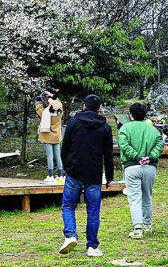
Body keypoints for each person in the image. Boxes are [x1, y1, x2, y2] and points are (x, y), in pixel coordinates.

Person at [58, 94, 114, 258]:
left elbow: (65, 146)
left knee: (68, 205)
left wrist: (66, 166)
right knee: (93, 211)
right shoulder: (105, 127)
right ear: (99, 109)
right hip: (94, 173)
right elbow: (108, 155)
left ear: (83, 106)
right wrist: (109, 177)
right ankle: (92, 246)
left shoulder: (74, 122)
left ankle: (70, 235)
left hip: (74, 170)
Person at [117, 102, 164, 239]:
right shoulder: (154, 130)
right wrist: (150, 157)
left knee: (134, 198)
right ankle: (148, 225)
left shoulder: (124, 129)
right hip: (149, 167)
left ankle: (137, 228)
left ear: (130, 115)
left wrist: (136, 157)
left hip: (131, 167)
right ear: (145, 115)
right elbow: (159, 145)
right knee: (147, 196)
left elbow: (124, 145)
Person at [35, 90, 64, 183]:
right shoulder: (60, 112)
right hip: (56, 136)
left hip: (47, 136)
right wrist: (53, 95)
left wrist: (39, 100)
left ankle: (50, 176)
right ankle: (60, 175)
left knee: (49, 157)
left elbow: (38, 108)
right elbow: (58, 103)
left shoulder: (45, 112)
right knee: (58, 156)